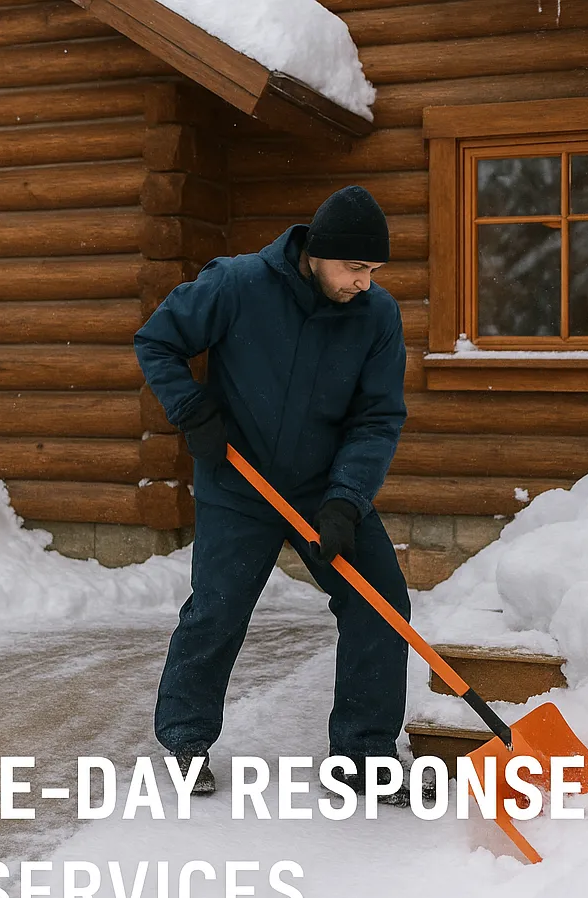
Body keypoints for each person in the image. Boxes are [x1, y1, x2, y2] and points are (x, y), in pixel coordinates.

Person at [134, 185, 409, 798]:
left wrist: (346, 499)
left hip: (324, 487)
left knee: (381, 604)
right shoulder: (237, 285)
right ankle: (185, 739)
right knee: (218, 610)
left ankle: (364, 753)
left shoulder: (377, 315)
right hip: (239, 481)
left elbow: (377, 418)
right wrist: (193, 411)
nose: (364, 282)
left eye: (374, 270)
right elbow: (158, 340)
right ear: (317, 253)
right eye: (355, 267)